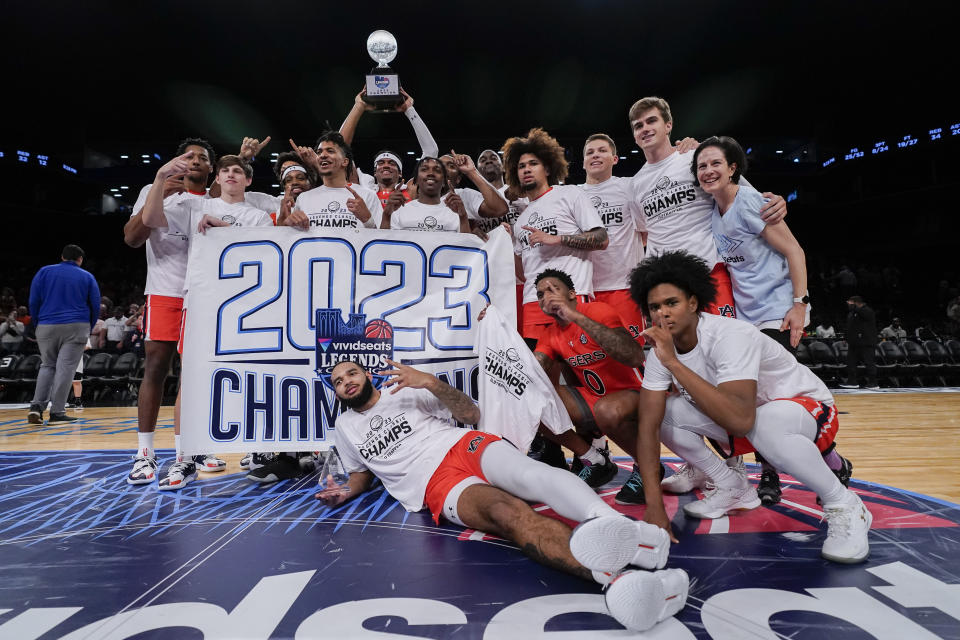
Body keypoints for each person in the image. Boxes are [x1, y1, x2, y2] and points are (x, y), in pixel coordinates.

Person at [316, 359, 687, 632]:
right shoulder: (345, 427)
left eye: (351, 373)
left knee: (534, 475)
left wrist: (431, 383)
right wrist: (346, 492)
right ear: (335, 392)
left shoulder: (408, 391)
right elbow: (361, 475)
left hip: (463, 443)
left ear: (366, 374)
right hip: (435, 483)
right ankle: (622, 580)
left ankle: (623, 531)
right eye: (337, 381)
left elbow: (469, 411)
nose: (346, 382)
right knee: (507, 515)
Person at [629, 251, 870, 563]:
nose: (662, 314)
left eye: (671, 303)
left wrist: (673, 363)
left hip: (804, 408)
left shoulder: (730, 335)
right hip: (751, 417)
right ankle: (732, 486)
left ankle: (844, 504)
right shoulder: (660, 352)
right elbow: (648, 426)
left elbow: (741, 420)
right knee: (664, 414)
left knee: (765, 422)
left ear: (692, 302)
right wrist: (653, 505)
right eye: (654, 307)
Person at [142, 153, 275, 489]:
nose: (231, 174)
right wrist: (159, 179)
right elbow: (151, 219)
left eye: (239, 171)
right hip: (200, 300)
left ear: (248, 180)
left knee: (249, 378)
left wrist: (226, 230)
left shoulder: (260, 216)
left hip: (245, 306)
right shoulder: (193, 206)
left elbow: (267, 253)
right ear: (217, 177)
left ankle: (258, 450)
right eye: (226, 170)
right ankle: (183, 459)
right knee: (192, 379)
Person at [123, 138, 216, 486]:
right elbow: (133, 238)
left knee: (194, 374)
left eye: (202, 158)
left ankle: (188, 453)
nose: (194, 161)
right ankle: (144, 453)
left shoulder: (214, 200)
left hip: (204, 296)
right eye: (188, 155)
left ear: (210, 168)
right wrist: (160, 191)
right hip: (164, 291)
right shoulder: (154, 187)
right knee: (156, 369)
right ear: (177, 161)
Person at [532, 269, 649, 498]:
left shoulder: (597, 310)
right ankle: (594, 459)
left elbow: (634, 356)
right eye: (540, 294)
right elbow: (532, 370)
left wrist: (575, 317)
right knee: (533, 402)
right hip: (596, 399)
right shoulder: (550, 334)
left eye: (553, 289)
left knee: (607, 410)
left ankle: (647, 468)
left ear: (572, 294)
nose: (546, 296)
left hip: (638, 393)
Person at [503, 128, 609, 344]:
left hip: (571, 296)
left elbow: (601, 238)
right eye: (521, 166)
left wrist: (557, 239)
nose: (526, 170)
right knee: (540, 374)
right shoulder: (521, 220)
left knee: (581, 369)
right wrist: (509, 244)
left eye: (533, 164)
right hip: (533, 302)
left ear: (548, 168)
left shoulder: (569, 194)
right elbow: (523, 274)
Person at [26, 244, 101, 425]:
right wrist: (87, 328)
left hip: (46, 324)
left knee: (47, 366)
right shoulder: (87, 276)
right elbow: (95, 305)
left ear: (62, 257)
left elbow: (33, 301)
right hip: (76, 324)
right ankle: (57, 413)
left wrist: (39, 324)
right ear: (80, 260)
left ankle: (36, 408)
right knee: (66, 369)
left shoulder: (44, 272)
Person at [338, 87, 439, 204]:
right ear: (375, 172)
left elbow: (431, 151)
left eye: (392, 163)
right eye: (381, 163)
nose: (386, 166)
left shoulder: (410, 190)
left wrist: (409, 109)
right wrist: (358, 107)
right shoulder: (364, 188)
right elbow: (340, 149)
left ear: (400, 173)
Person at [291, 131, 383, 229]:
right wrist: (288, 223)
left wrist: (367, 220)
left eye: (330, 151)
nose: (322, 155)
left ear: (345, 161)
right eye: (319, 152)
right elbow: (292, 238)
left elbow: (384, 240)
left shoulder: (367, 196)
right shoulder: (304, 198)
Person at [381, 157, 469, 233]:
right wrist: (386, 215)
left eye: (437, 170)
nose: (430, 173)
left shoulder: (456, 212)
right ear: (416, 180)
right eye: (424, 169)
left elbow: (467, 248)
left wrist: (463, 217)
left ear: (444, 182)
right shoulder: (399, 211)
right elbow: (384, 247)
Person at [839, 295, 878, 389]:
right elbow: (849, 326)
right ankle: (852, 382)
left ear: (856, 303)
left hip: (866, 343)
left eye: (850, 303)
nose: (848, 305)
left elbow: (863, 315)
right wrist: (846, 337)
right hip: (854, 343)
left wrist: (855, 308)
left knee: (869, 362)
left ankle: (873, 383)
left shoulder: (867, 311)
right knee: (851, 362)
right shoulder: (852, 313)